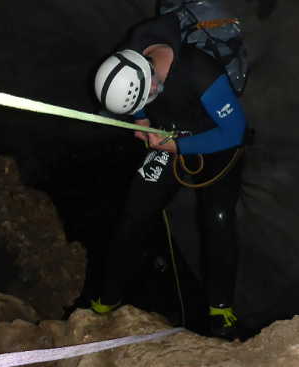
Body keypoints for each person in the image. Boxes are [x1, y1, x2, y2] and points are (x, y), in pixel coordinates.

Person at [89, 13, 247, 340]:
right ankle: (107, 297)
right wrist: (143, 120)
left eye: (147, 99)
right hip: (168, 137)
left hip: (215, 143)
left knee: (217, 219)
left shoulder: (200, 73)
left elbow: (234, 132)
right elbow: (135, 105)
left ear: (154, 83)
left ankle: (221, 308)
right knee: (134, 214)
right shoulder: (129, 57)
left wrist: (180, 145)